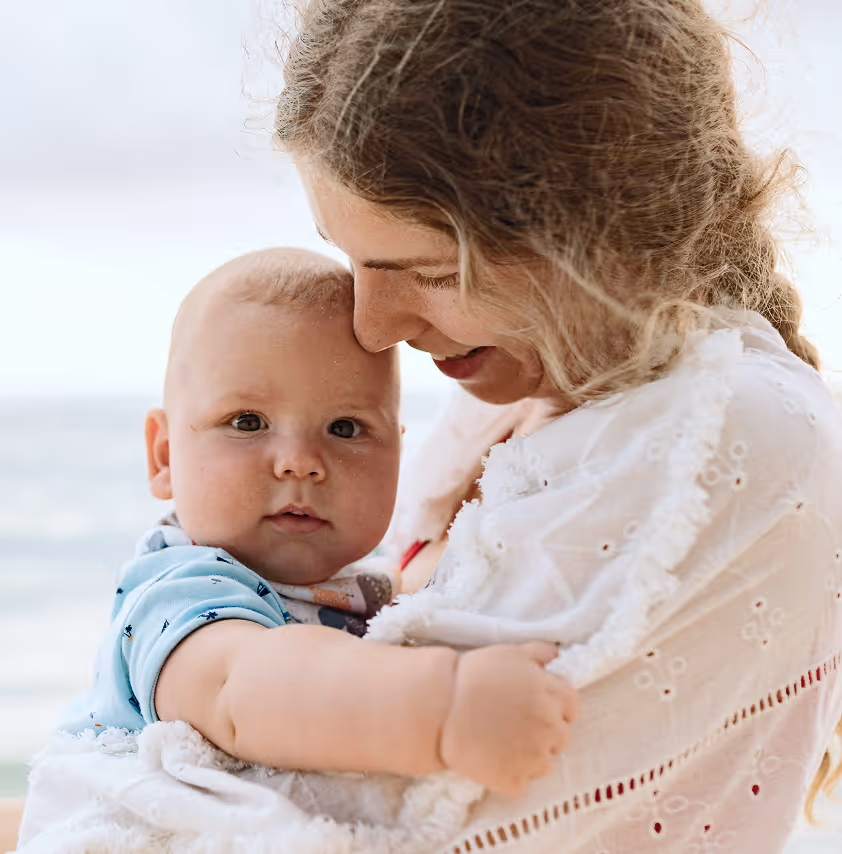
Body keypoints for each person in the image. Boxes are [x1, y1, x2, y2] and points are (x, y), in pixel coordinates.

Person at [271, 0, 842, 851]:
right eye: (351, 258)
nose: (372, 325)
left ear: (599, 232)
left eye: (429, 271)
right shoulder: (518, 411)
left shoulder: (712, 439)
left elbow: (381, 824)